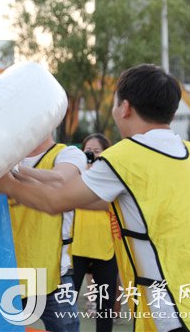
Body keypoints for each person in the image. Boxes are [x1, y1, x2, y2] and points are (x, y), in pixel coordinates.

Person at [0, 64, 190, 332]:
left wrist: (4, 183)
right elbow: (103, 201)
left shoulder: (125, 156)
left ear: (124, 108)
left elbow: (55, 200)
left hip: (173, 313)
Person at [8, 134, 86, 332]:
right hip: (9, 272)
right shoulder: (7, 156)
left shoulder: (68, 153)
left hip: (54, 274)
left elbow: (60, 180)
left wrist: (13, 170)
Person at [72, 133, 118, 332]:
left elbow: (111, 204)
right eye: (88, 150)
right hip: (77, 246)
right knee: (66, 301)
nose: (91, 154)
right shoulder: (74, 174)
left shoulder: (112, 176)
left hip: (105, 248)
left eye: (97, 151)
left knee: (105, 306)